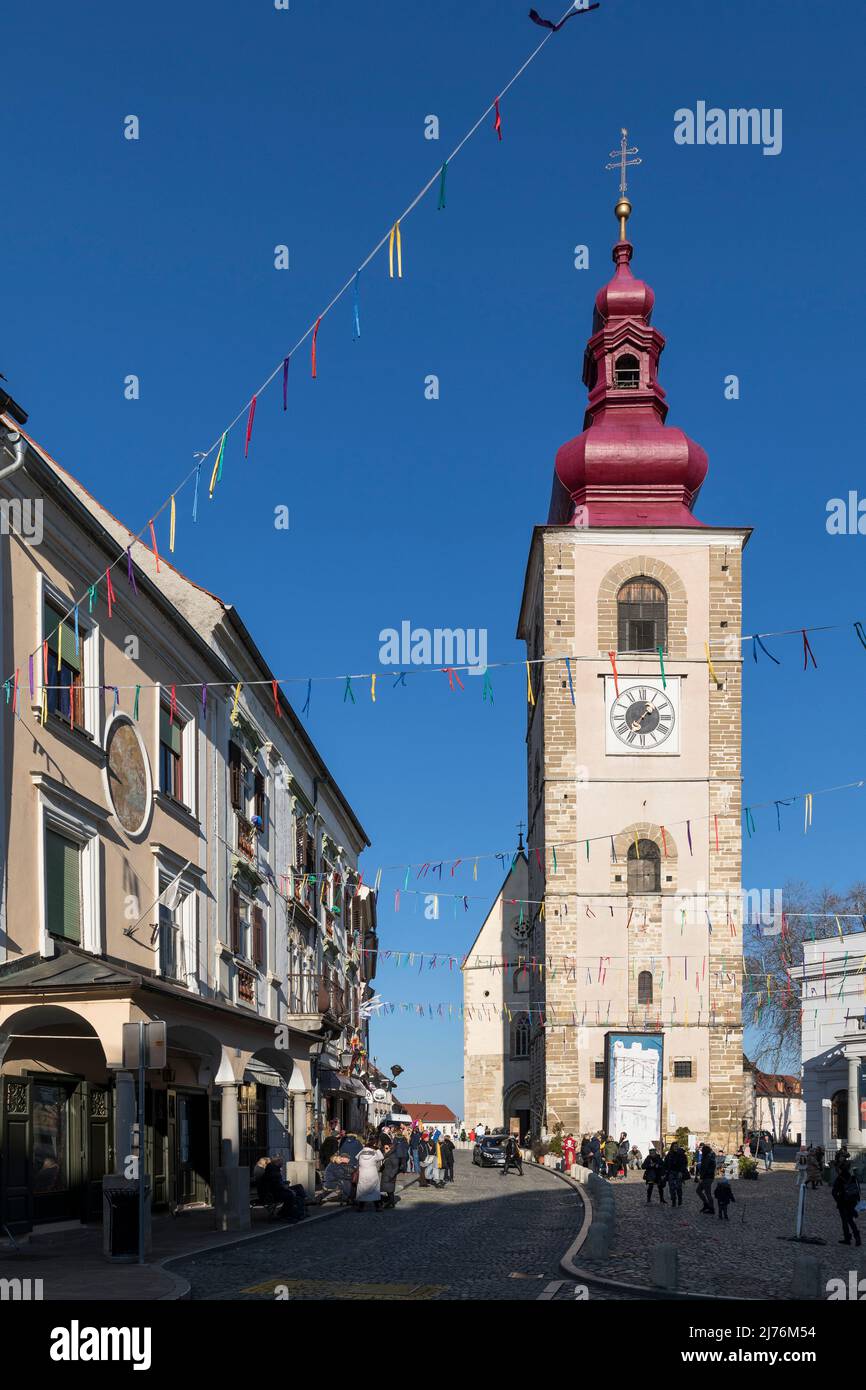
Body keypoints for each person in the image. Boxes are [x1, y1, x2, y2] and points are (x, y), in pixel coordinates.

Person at [831, 1160, 862, 1247]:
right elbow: (858, 1189)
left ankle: (847, 1238)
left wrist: (838, 1201)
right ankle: (857, 1237)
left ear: (840, 1169)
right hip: (852, 1202)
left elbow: (834, 1192)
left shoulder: (839, 1178)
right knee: (851, 1220)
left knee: (844, 1221)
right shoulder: (853, 1177)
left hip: (843, 1202)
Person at [354, 1139, 384, 1211]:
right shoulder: (374, 1152)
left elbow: (356, 1157)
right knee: (374, 1189)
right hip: (372, 1172)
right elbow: (381, 1157)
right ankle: (378, 1207)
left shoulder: (361, 1152)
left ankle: (361, 1207)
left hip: (363, 1172)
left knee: (362, 1189)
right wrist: (377, 1150)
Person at [664, 1141, 688, 1207]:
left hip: (678, 1172)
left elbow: (684, 1164)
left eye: (677, 1146)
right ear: (672, 1147)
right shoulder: (669, 1154)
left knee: (678, 1187)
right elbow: (665, 1163)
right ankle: (673, 1200)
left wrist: (681, 1172)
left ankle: (680, 1199)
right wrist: (665, 1172)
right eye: (674, 1146)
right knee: (671, 1188)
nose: (675, 1148)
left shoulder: (681, 1154)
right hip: (671, 1172)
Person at [379, 1141, 401, 1209]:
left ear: (390, 1148)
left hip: (389, 1175)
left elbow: (396, 1167)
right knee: (388, 1190)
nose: (385, 1149)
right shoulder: (388, 1155)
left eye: (386, 1148)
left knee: (390, 1190)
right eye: (384, 1148)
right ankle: (389, 1202)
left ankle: (391, 1203)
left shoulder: (393, 1155)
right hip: (386, 1174)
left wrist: (391, 1176)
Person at [696, 1144, 716, 1214]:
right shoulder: (710, 1156)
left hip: (707, 1178)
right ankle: (706, 1204)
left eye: (702, 1149)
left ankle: (711, 1208)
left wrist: (701, 1178)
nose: (701, 1150)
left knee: (708, 1193)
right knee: (698, 1190)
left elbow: (705, 1169)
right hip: (708, 1177)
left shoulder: (707, 1158)